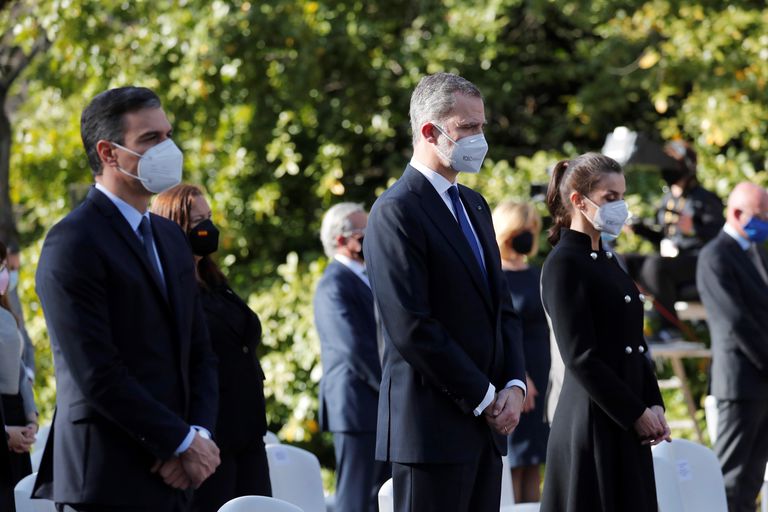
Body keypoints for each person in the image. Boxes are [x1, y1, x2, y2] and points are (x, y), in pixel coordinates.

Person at [33, 86, 220, 512]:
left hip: (178, 478)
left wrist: (198, 438)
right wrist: (177, 442)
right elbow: (96, 371)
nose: (168, 148)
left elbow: (200, 353)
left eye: (168, 134)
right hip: (107, 477)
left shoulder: (171, 238)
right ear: (109, 153)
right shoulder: (72, 243)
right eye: (150, 139)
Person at [364, 72, 526, 512]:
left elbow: (501, 307)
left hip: (486, 430)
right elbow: (412, 327)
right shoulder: (396, 211)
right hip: (431, 432)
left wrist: (513, 384)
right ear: (429, 132)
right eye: (468, 128)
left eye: (482, 126)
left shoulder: (474, 205)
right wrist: (486, 396)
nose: (480, 138)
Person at [540, 152, 671, 512]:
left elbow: (634, 344)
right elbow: (581, 358)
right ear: (578, 201)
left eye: (622, 196)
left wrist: (654, 403)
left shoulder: (610, 260)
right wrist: (635, 412)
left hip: (626, 418)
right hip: (593, 421)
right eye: (610, 197)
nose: (621, 206)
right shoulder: (564, 264)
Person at [152, 184, 272, 512]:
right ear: (174, 225)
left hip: (248, 429)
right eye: (197, 220)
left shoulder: (213, 279)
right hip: (211, 436)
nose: (207, 228)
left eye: (209, 218)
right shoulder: (168, 287)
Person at [696, 182, 768, 512]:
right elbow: (736, 323)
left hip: (762, 383)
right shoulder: (716, 256)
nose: (765, 222)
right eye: (761, 215)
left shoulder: (756, 254)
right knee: (730, 475)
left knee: (753, 476)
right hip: (740, 381)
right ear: (737, 213)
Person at [313, 202, 390, 512]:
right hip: (356, 404)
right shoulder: (333, 284)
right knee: (355, 496)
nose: (371, 237)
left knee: (379, 495)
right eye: (364, 232)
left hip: (379, 403)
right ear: (342, 240)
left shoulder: (371, 276)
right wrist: (390, 387)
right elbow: (354, 348)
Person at [625, 140, 724, 340]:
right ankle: (629, 325)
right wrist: (640, 230)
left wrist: (694, 229)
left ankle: (671, 329)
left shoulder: (705, 199)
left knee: (655, 266)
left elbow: (720, 239)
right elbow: (665, 237)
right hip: (673, 260)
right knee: (625, 261)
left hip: (699, 261)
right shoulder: (668, 199)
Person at [491, 200, 550, 503]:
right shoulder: (495, 275)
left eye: (532, 229)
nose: (528, 235)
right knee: (516, 460)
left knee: (535, 461)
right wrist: (519, 377)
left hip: (544, 373)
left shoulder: (537, 273)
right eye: (521, 230)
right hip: (520, 376)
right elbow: (500, 329)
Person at [0, 241, 37, 512]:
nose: (4, 274)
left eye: (3, 266)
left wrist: (31, 417)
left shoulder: (8, 315)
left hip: (16, 418)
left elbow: (21, 368)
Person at [5, 244, 35, 383]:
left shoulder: (13, 294)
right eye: (11, 268)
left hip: (21, 378)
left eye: (17, 269)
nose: (14, 273)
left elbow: (24, 335)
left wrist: (29, 372)